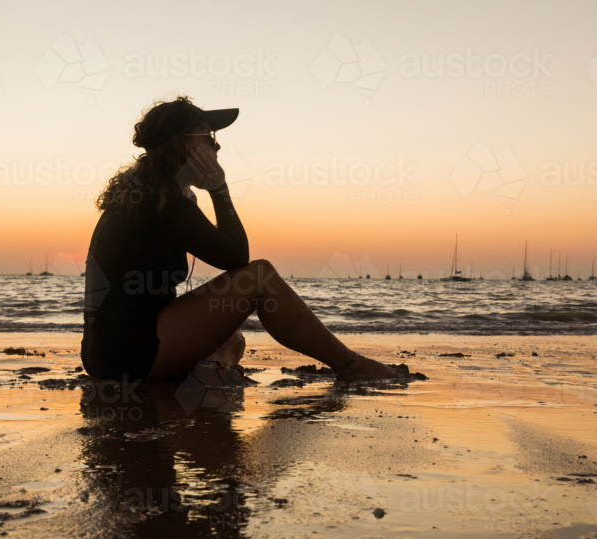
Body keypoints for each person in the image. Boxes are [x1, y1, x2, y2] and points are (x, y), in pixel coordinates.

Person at [81, 96, 403, 383]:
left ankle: (206, 374)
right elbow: (238, 260)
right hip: (128, 354)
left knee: (233, 339)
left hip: (110, 352)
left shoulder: (148, 194)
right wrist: (220, 190)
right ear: (182, 145)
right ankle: (350, 365)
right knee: (260, 277)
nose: (217, 146)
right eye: (208, 137)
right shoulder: (162, 203)